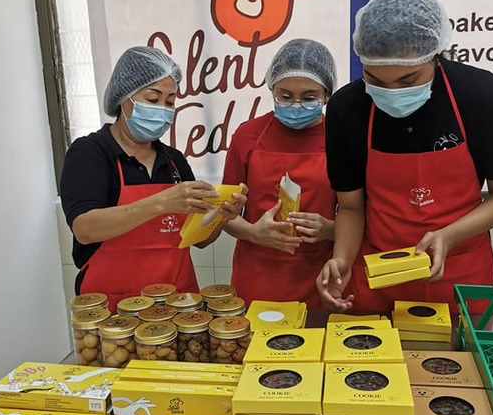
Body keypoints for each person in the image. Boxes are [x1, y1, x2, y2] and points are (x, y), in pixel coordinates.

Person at [317, 0, 493, 313]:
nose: (391, 93)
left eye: (408, 80)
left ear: (436, 58)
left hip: (461, 272)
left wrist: (449, 235)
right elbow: (352, 207)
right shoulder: (348, 108)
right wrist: (341, 259)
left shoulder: (481, 96)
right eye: (374, 79)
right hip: (378, 274)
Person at [61, 46, 246, 312]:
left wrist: (220, 217)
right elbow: (86, 229)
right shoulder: (91, 153)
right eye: (152, 99)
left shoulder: (173, 160)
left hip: (178, 306)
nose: (163, 109)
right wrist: (160, 203)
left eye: (170, 102)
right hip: (113, 309)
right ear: (123, 98)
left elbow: (200, 240)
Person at [223, 38, 338, 308]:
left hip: (321, 276)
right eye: (285, 96)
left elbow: (361, 213)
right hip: (257, 276)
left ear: (327, 94)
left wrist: (332, 230)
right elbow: (222, 215)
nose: (296, 105)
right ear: (271, 89)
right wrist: (253, 232)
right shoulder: (248, 136)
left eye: (309, 97)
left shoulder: (342, 138)